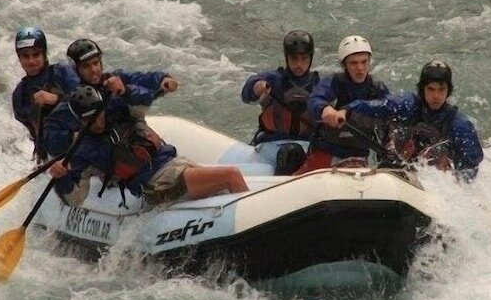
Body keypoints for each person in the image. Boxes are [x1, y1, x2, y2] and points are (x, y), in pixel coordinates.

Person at [47, 86, 249, 207]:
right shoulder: (82, 151)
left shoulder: (124, 113)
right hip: (157, 184)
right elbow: (75, 199)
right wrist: (62, 177)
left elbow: (143, 98)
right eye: (88, 119)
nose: (97, 122)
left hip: (174, 166)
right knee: (231, 175)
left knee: (224, 188)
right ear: (78, 120)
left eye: (98, 114)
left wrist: (125, 89)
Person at [346, 60, 483, 178]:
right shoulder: (407, 105)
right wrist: (347, 110)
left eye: (441, 89)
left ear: (448, 91)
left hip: (435, 177)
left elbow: (470, 168)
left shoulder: (460, 126)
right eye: (431, 89)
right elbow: (379, 106)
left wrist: (455, 182)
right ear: (422, 89)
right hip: (398, 165)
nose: (436, 96)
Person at [295, 35, 390, 173]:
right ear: (344, 65)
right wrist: (326, 109)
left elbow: (390, 115)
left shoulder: (377, 89)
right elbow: (314, 99)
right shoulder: (334, 83)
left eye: (364, 62)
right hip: (328, 151)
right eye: (353, 63)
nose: (360, 68)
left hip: (361, 154)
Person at [241, 30, 320, 173]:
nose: (299, 64)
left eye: (304, 59)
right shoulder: (273, 79)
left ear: (311, 58)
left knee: (293, 152)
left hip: (307, 145)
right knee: (290, 153)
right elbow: (247, 94)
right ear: (286, 58)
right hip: (271, 146)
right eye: (294, 59)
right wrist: (256, 88)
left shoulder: (320, 85)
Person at [10, 27, 79, 161]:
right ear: (19, 58)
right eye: (26, 56)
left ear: (44, 54)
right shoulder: (19, 95)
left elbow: (87, 101)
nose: (31, 61)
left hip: (80, 141)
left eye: (36, 55)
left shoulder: (62, 72)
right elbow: (35, 134)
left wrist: (57, 99)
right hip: (51, 155)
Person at [64, 38, 178, 101]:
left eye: (96, 63)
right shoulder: (72, 95)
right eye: (86, 66)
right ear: (76, 70)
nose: (94, 70)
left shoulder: (113, 78)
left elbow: (140, 78)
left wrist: (162, 79)